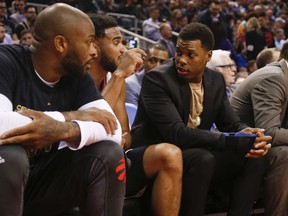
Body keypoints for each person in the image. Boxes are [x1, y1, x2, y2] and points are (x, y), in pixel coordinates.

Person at [131, 22, 272, 216]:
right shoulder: (157, 79)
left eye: (190, 55)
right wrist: (231, 140)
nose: (181, 60)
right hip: (161, 154)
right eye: (179, 52)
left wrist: (250, 134)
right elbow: (176, 133)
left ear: (208, 56)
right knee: (202, 158)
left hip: (195, 151)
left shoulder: (215, 79)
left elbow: (230, 123)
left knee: (255, 157)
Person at [0, 3, 126, 216]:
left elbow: (114, 131)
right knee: (11, 156)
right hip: (6, 179)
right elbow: (1, 125)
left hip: (40, 184)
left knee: (109, 153)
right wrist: (70, 117)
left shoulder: (77, 74)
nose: (94, 51)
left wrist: (63, 130)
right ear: (60, 44)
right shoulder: (6, 61)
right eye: (88, 42)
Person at [89, 14, 182, 216]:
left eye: (122, 42)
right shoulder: (78, 77)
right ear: (94, 46)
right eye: (116, 42)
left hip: (117, 157)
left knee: (170, 154)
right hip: (84, 163)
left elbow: (126, 133)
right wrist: (120, 74)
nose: (123, 49)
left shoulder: (116, 80)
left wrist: (122, 138)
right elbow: (88, 117)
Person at [230, 40, 288, 216]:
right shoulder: (274, 77)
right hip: (238, 146)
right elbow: (268, 132)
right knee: (284, 154)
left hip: (259, 143)